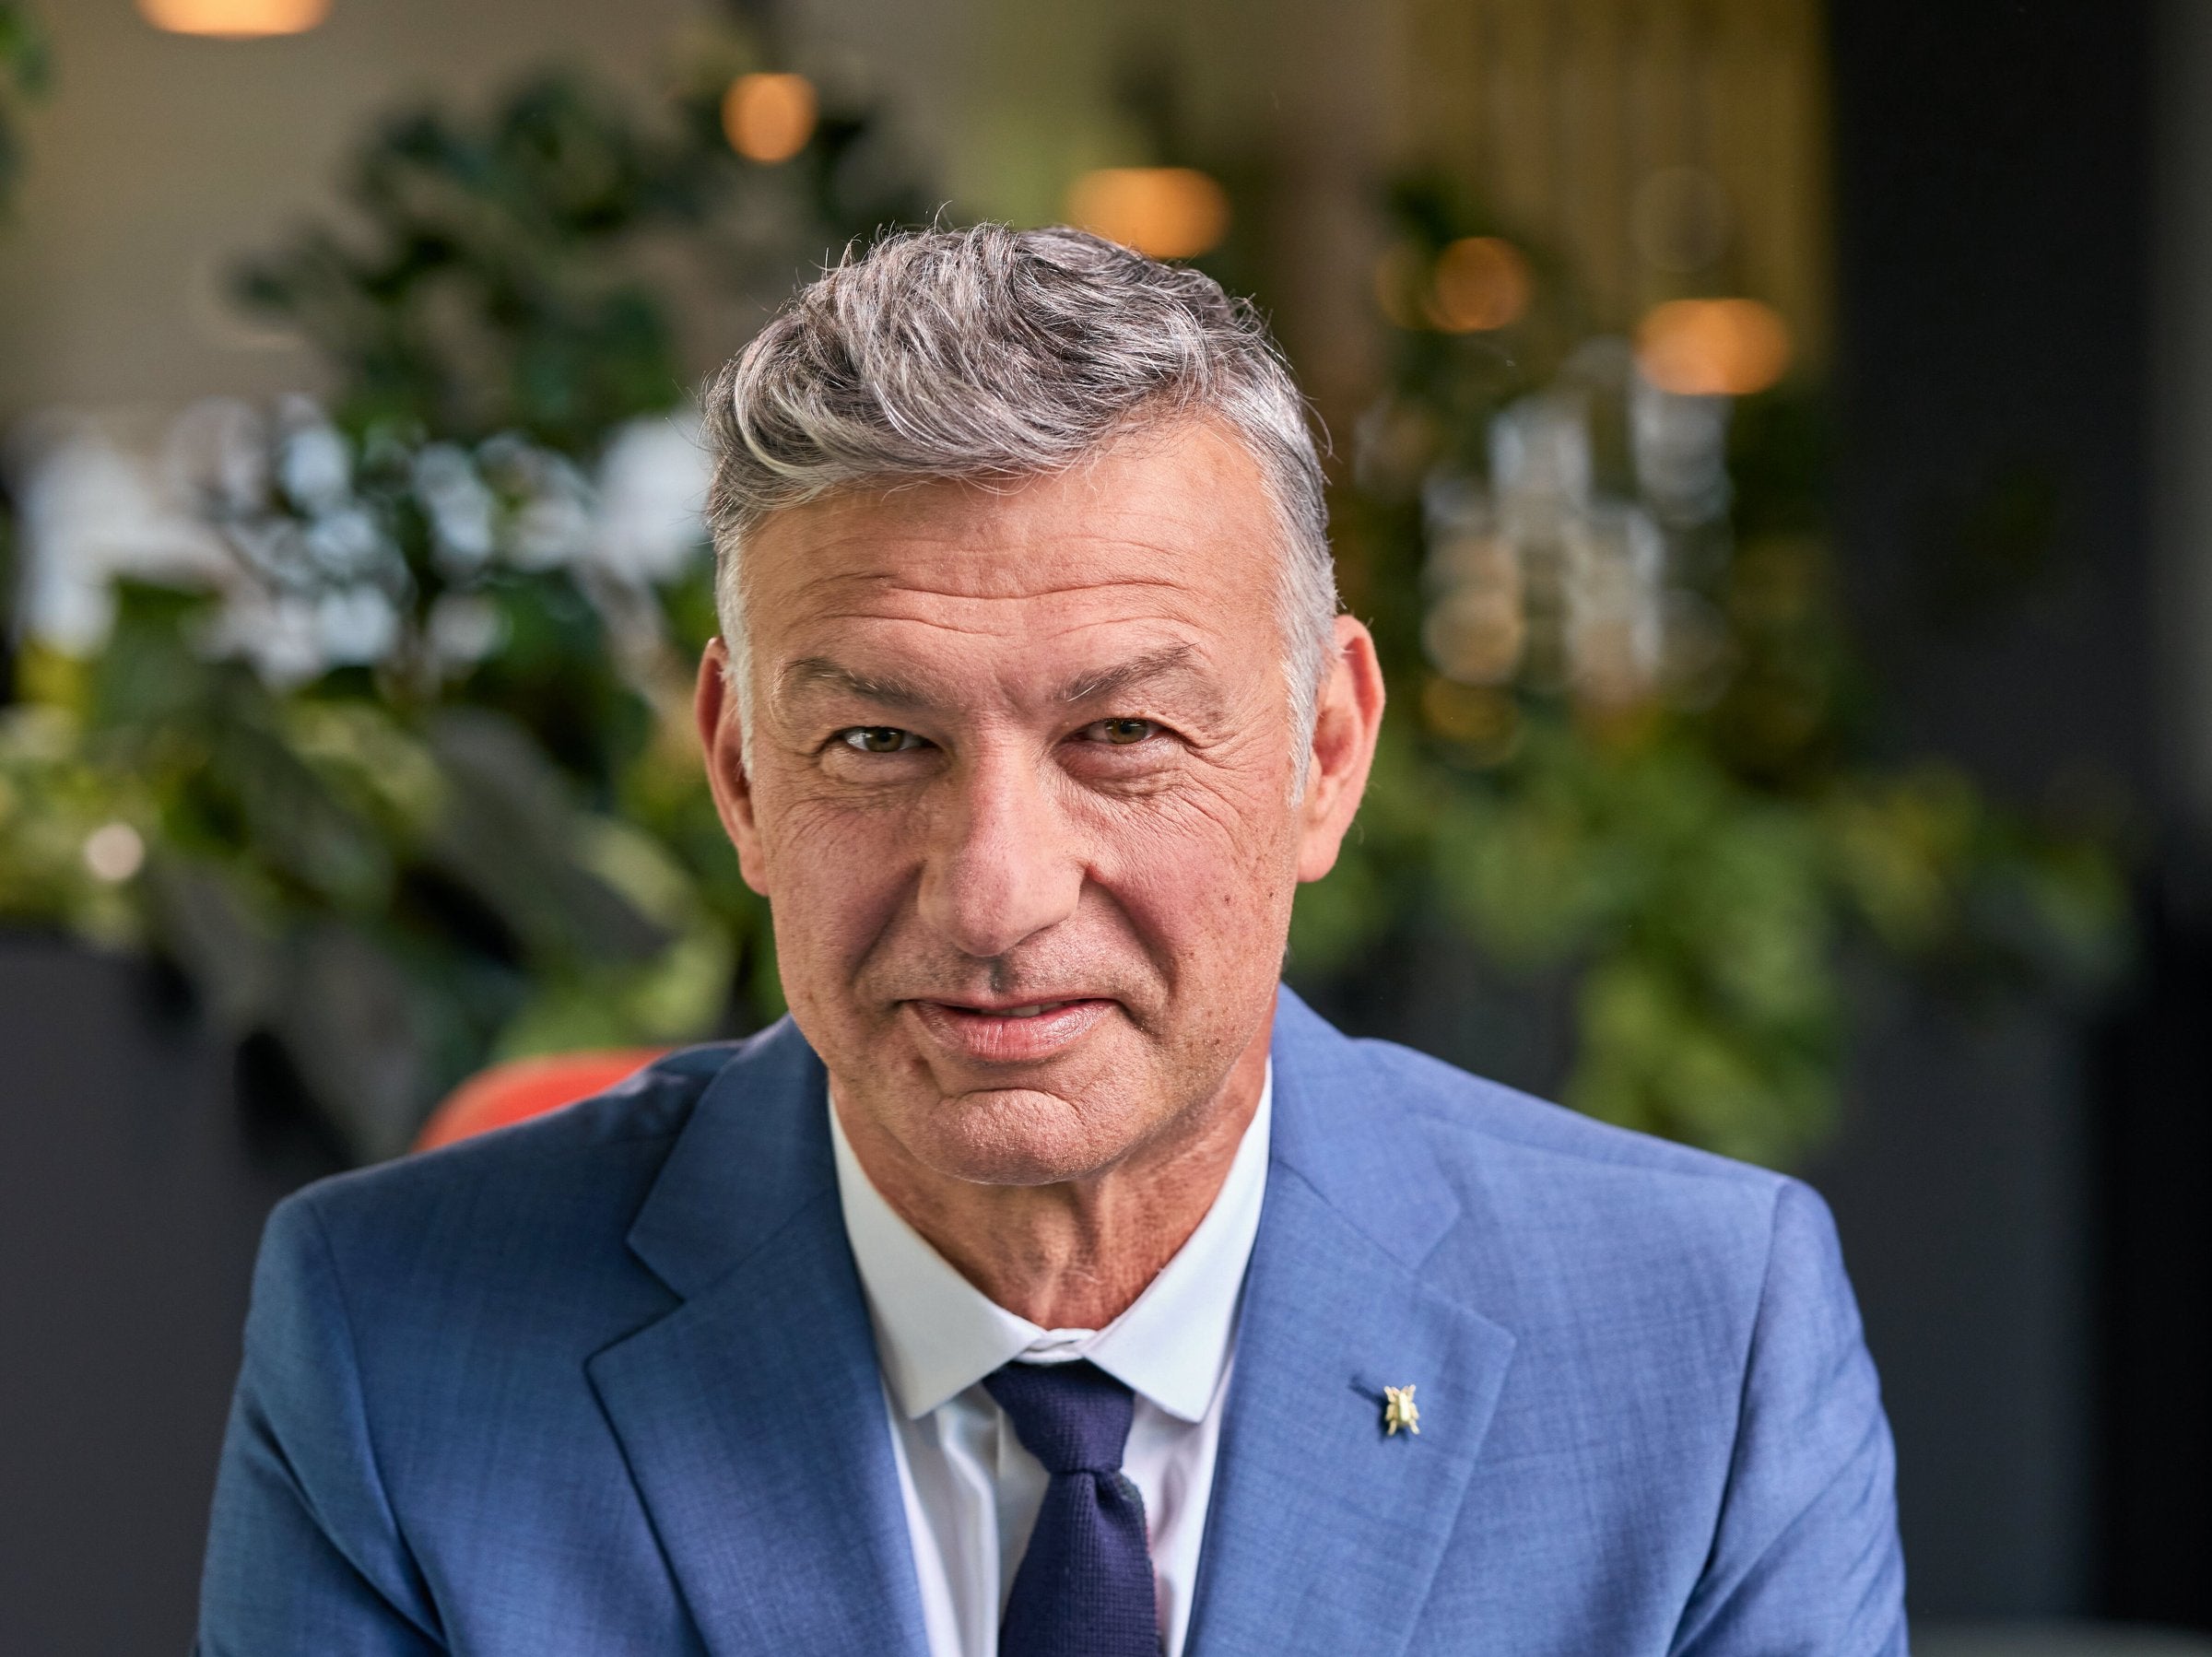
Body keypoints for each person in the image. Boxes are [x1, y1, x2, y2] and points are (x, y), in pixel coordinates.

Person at [196, 226, 1906, 1656]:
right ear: (739, 770)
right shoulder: (392, 1341)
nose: (996, 894)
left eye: (1124, 735)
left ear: (1323, 754)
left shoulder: (1703, 1343)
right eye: (879, 740)